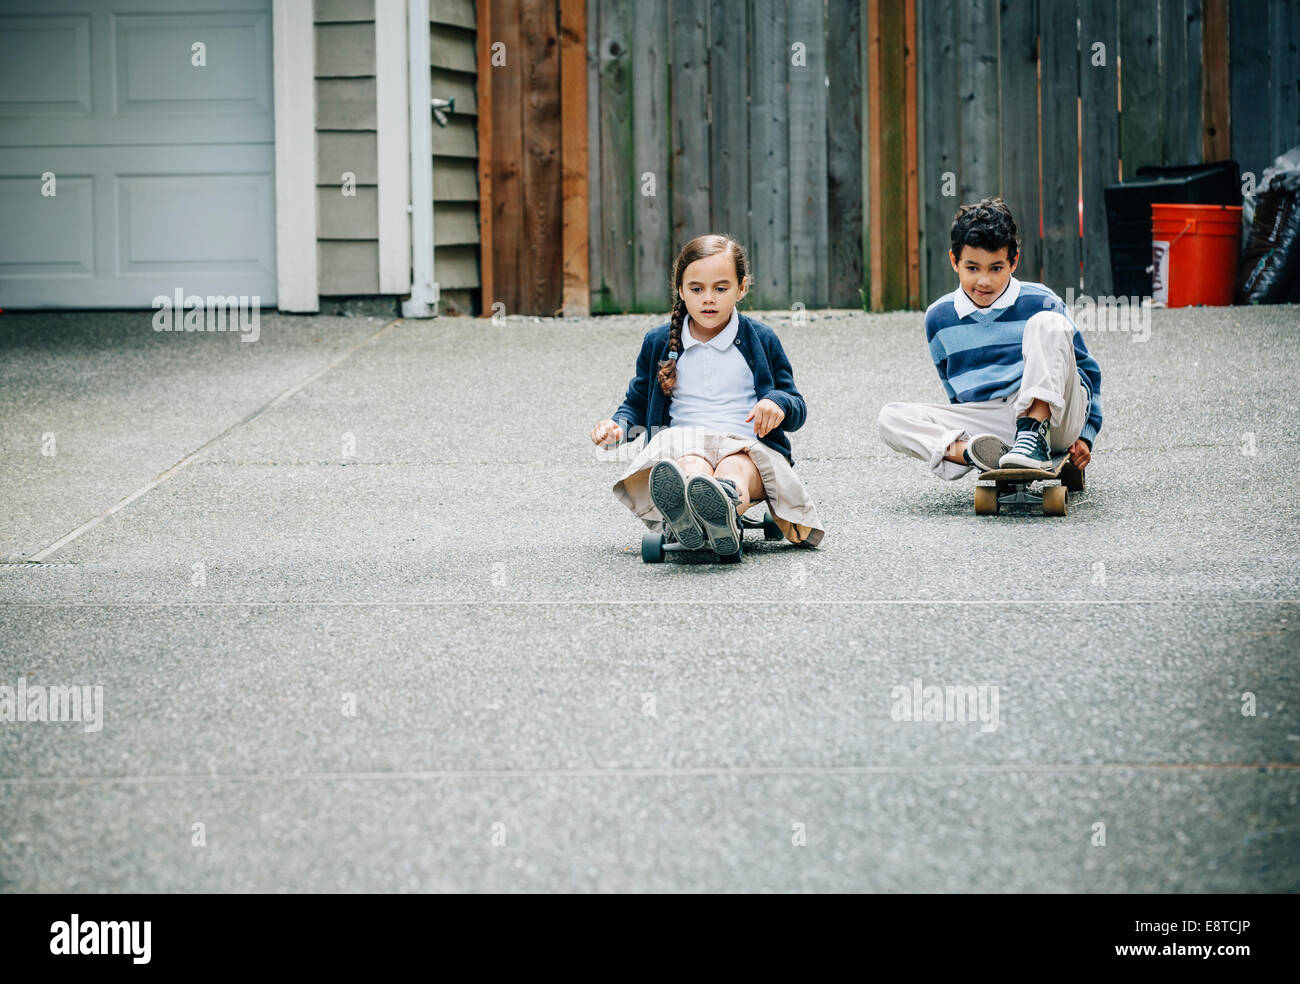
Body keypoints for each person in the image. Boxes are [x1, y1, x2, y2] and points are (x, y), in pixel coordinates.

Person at [590, 234, 825, 555]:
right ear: (681, 291)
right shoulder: (659, 342)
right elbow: (638, 402)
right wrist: (618, 426)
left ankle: (716, 508)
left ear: (742, 288)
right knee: (688, 465)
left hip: (746, 445)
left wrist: (777, 404)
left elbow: (795, 404)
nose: (708, 298)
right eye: (697, 289)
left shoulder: (762, 339)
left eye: (721, 288)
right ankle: (691, 511)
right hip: (681, 441)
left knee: (734, 469)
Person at [877, 197, 1102, 479]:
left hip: (1055, 419)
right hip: (990, 421)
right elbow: (956, 392)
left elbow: (1086, 372)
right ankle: (974, 453)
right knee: (891, 418)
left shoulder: (1043, 301)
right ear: (954, 261)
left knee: (1047, 324)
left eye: (995, 268)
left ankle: (1033, 435)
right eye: (973, 268)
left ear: (1014, 261)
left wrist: (1085, 435)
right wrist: (969, 433)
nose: (984, 281)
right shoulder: (938, 318)